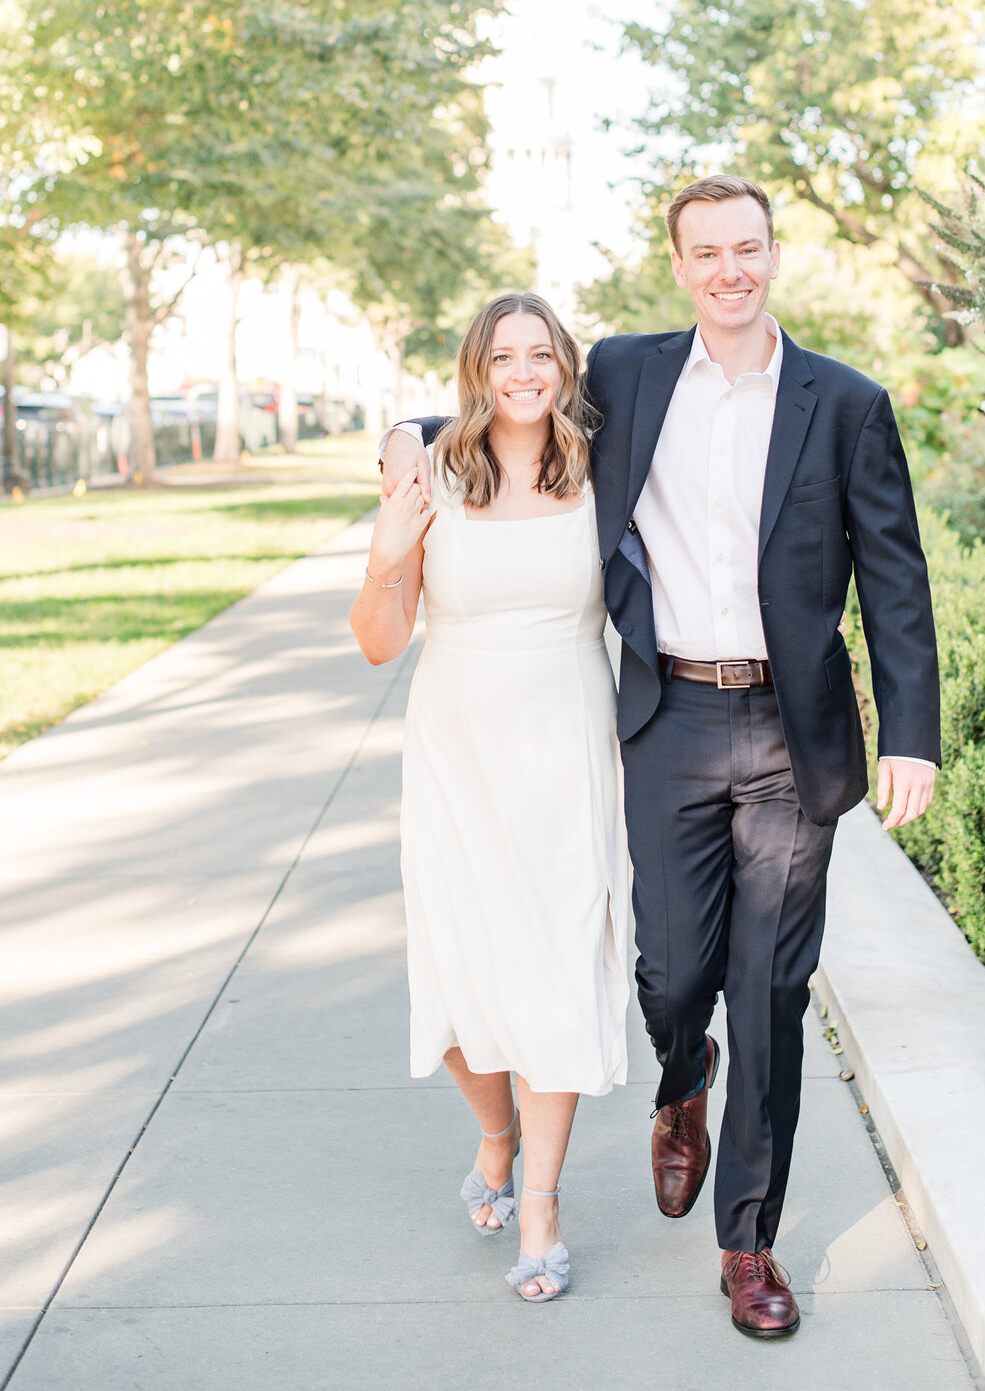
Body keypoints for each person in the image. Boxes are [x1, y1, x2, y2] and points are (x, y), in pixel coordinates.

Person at [383, 175, 940, 1340]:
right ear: (679, 266)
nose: (729, 269)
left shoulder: (844, 403)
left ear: (772, 256)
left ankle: (750, 1245)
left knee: (771, 992)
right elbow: (505, 407)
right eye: (706, 252)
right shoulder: (629, 378)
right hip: (670, 719)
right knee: (673, 974)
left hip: (796, 733)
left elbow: (895, 576)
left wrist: (914, 736)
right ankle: (682, 1079)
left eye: (748, 248)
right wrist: (410, 435)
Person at [350, 291, 628, 1306]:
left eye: (541, 354)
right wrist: (387, 552)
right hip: (456, 747)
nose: (523, 372)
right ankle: (496, 1134)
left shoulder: (605, 467)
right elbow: (381, 640)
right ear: (477, 367)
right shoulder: (433, 473)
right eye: (504, 355)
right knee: (465, 983)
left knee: (555, 965)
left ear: (565, 366)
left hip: (568, 745)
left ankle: (543, 1206)